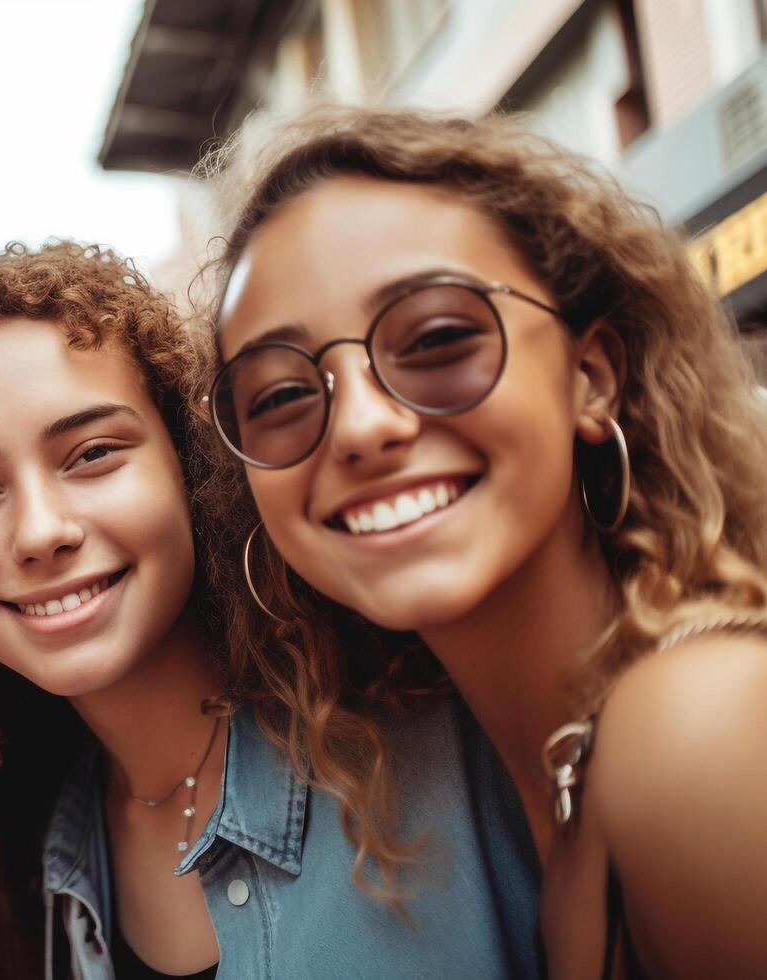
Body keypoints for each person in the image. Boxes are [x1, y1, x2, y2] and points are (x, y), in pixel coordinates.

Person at [0, 241, 538, 979]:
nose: (39, 532)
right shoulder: (48, 848)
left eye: (91, 453)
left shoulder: (432, 725)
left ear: (189, 458)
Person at [203, 104, 767, 976]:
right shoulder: (560, 773)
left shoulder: (690, 727)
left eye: (434, 338)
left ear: (589, 377)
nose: (359, 427)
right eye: (279, 396)